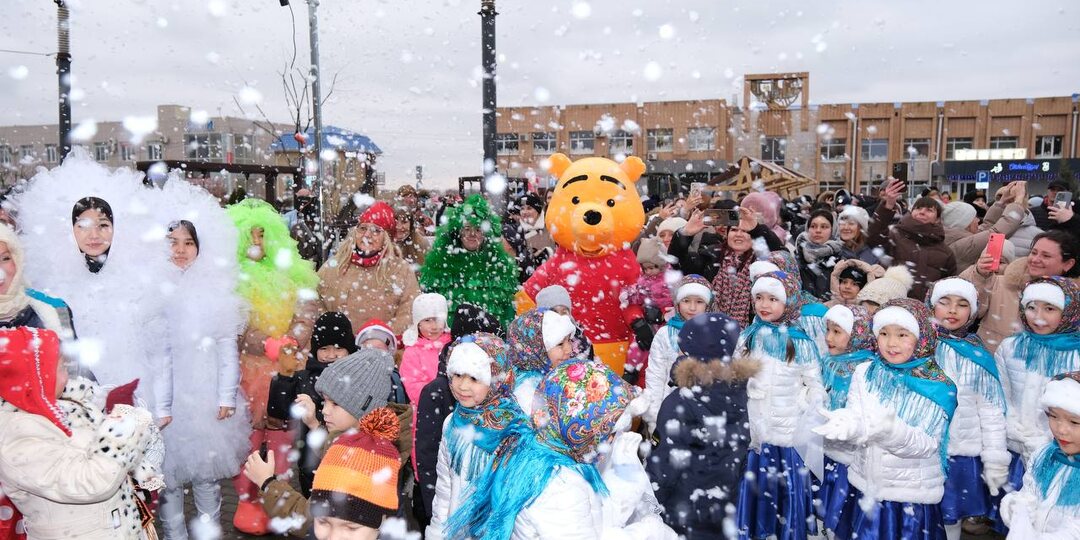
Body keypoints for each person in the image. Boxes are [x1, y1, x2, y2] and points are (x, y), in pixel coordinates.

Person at [17, 152, 175, 422]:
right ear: (68, 229)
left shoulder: (140, 279)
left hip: (132, 395)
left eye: (103, 225)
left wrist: (162, 407)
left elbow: (159, 349)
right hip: (73, 400)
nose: (94, 235)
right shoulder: (50, 284)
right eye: (83, 225)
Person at [449, 361, 643, 540]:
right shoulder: (561, 485)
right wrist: (643, 530)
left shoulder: (535, 446)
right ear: (580, 426)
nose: (611, 441)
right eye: (608, 432)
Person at [816, 298, 957, 540]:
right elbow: (856, 414)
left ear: (922, 337)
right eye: (884, 333)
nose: (891, 343)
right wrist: (849, 425)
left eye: (902, 335)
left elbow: (927, 445)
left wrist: (892, 432)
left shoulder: (937, 386)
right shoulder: (865, 372)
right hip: (864, 487)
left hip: (909, 497)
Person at [0, 327, 159, 540]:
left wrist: (143, 483)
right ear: (35, 377)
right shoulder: (16, 437)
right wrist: (121, 426)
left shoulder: (63, 405)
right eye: (61, 368)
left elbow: (97, 452)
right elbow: (91, 481)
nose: (68, 377)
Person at [157, 188, 251, 540]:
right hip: (167, 398)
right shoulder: (152, 288)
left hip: (204, 394)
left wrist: (226, 395)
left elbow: (227, 348)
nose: (180, 250)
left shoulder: (216, 290)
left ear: (201, 247)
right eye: (173, 242)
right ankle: (175, 534)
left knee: (206, 478)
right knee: (167, 480)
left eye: (188, 243)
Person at [226, 197, 320, 534]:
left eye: (262, 235)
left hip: (286, 370)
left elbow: (306, 313)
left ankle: (278, 497)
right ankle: (247, 499)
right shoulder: (230, 279)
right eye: (249, 236)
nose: (256, 243)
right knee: (247, 439)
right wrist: (263, 342)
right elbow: (231, 325)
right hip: (246, 371)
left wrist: (291, 343)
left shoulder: (294, 274)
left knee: (282, 436)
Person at [244, 351, 396, 538]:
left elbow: (309, 518)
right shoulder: (373, 446)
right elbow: (337, 447)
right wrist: (314, 425)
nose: (324, 410)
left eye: (335, 404)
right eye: (324, 401)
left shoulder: (356, 460)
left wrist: (267, 483)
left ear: (364, 407)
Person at [735, 270, 824, 540]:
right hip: (756, 433)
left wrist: (803, 404)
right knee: (758, 492)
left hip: (787, 435)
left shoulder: (800, 342)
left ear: (788, 302)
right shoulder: (748, 336)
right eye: (759, 297)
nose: (764, 305)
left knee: (785, 493)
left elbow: (815, 384)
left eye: (773, 299)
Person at [647, 312, 752, 539]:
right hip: (723, 500)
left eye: (683, 349)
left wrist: (652, 501)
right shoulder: (738, 391)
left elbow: (665, 464)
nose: (679, 353)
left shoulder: (679, 403)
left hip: (683, 506)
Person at [426, 333, 531, 540]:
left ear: (496, 380)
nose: (462, 386)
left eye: (474, 378)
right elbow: (445, 488)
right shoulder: (452, 423)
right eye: (457, 375)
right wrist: (438, 533)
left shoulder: (514, 432)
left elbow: (522, 505)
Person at [926, 278, 1010, 540]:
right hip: (922, 450)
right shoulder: (917, 346)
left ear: (972, 312)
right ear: (931, 306)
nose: (952, 310)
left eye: (962, 305)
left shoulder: (977, 356)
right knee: (921, 514)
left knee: (951, 517)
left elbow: (991, 411)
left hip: (961, 452)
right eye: (945, 302)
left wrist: (995, 458)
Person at [414, 303, 503, 527]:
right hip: (448, 506)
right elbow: (427, 456)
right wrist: (433, 509)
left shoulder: (495, 388)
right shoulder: (438, 391)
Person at [994, 277, 1080, 496]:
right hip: (1013, 445)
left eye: (1049, 308)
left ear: (1069, 311)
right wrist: (1011, 423)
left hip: (1058, 450)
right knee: (1013, 508)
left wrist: (1046, 438)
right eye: (1031, 307)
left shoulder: (1076, 354)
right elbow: (1000, 392)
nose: (1038, 317)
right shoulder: (1010, 347)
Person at [961, 230, 1080, 352]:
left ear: (1068, 264)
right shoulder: (1002, 283)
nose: (1035, 259)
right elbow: (971, 310)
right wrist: (979, 276)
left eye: (1046, 256)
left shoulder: (1073, 301)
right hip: (988, 361)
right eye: (1034, 253)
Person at [667, 206, 785, 327]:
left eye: (745, 231)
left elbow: (784, 257)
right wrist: (685, 233)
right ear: (727, 234)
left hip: (752, 335)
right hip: (710, 331)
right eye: (734, 230)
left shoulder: (765, 263)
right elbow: (676, 261)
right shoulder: (710, 256)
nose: (739, 234)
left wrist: (757, 229)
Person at [818, 304, 877, 535]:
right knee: (821, 507)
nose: (829, 338)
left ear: (857, 335)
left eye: (837, 331)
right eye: (828, 330)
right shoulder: (829, 361)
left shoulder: (865, 370)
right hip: (823, 450)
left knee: (840, 513)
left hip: (848, 458)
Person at [319, 201, 420, 336]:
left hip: (382, 350)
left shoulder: (401, 270)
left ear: (386, 238)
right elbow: (315, 303)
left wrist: (381, 338)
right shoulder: (334, 266)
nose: (367, 235)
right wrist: (334, 335)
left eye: (376, 230)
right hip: (338, 351)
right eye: (363, 228)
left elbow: (408, 312)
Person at [999, 371, 1080, 539]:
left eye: (1074, 422)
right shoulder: (1045, 457)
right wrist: (1017, 507)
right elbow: (1029, 493)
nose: (1061, 429)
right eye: (1053, 416)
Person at [420, 195, 518, 327]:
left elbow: (508, 311)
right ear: (459, 231)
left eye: (478, 229)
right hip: (450, 340)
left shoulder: (500, 265)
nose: (472, 234)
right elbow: (427, 307)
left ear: (485, 234)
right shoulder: (439, 263)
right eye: (467, 229)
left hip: (491, 340)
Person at [641, 275, 712, 433]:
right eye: (686, 301)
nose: (692, 308)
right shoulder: (665, 334)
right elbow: (656, 374)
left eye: (699, 302)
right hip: (671, 411)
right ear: (677, 303)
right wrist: (654, 416)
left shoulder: (715, 334)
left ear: (708, 305)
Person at [866, 178, 958, 300]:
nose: (922, 212)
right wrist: (888, 204)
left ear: (937, 219)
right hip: (891, 304)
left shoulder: (945, 252)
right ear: (911, 211)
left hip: (926, 311)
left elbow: (948, 288)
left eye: (929, 210)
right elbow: (873, 238)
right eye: (918, 208)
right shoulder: (895, 235)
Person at [505, 308, 578, 416]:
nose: (569, 350)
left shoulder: (552, 373)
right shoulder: (528, 392)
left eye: (569, 340)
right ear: (537, 349)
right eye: (560, 344)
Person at [941, 185, 1027, 271]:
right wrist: (1018, 203)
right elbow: (996, 233)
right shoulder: (962, 245)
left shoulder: (957, 237)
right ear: (965, 223)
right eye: (974, 217)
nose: (978, 220)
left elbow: (988, 224)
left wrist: (1001, 203)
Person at [794, 208, 844, 300]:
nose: (818, 230)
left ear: (833, 230)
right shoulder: (797, 257)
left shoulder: (842, 259)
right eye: (813, 226)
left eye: (824, 227)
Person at [392, 201, 431, 269]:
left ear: (411, 225)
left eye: (404, 222)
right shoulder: (385, 242)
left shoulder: (421, 243)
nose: (399, 227)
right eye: (395, 222)